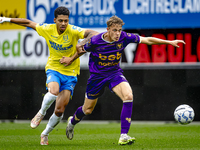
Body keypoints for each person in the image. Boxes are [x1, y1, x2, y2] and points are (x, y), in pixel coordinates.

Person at [64, 15, 186, 145]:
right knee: (87, 110)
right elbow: (81, 50)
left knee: (128, 95)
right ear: (108, 29)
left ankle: (123, 135)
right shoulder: (95, 41)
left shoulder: (124, 37)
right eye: (115, 30)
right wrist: (72, 58)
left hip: (114, 74)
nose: (117, 33)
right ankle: (72, 122)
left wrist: (169, 42)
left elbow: (147, 40)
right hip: (96, 77)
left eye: (119, 30)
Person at [0, 6, 98, 145]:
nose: (64, 23)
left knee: (59, 111)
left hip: (70, 73)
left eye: (66, 21)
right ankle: (41, 113)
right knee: (53, 91)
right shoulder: (47, 29)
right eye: (61, 21)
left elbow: (94, 33)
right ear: (55, 20)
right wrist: (6, 19)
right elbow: (28, 23)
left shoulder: (73, 30)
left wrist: (78, 48)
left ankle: (45, 133)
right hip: (54, 68)